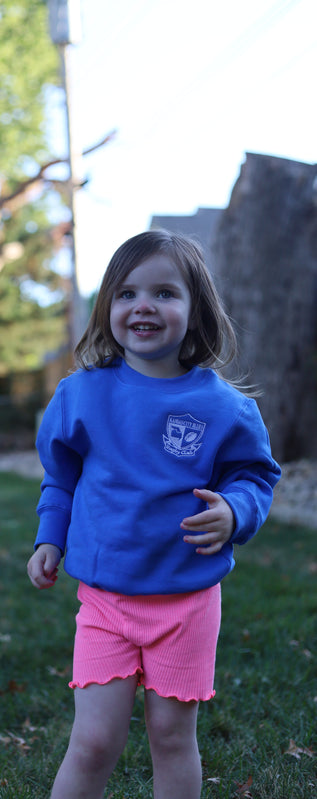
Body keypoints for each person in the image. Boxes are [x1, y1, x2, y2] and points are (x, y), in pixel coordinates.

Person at [27, 230, 281, 799]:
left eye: (164, 293)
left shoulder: (226, 408)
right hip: (105, 602)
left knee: (171, 736)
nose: (143, 305)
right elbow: (61, 476)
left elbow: (256, 476)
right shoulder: (80, 396)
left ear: (195, 312)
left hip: (187, 602)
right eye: (127, 293)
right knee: (94, 740)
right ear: (107, 307)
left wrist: (235, 510)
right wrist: (50, 538)